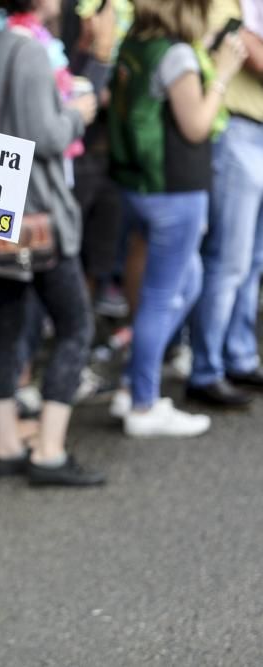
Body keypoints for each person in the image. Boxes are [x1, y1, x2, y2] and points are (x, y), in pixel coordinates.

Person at [0, 0, 104, 486]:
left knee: (6, 320)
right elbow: (47, 135)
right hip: (37, 216)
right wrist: (79, 112)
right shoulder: (31, 52)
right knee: (75, 325)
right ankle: (49, 450)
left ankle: (4, 441)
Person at [107, 0, 247, 435]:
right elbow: (196, 125)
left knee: (185, 283)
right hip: (174, 189)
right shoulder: (177, 54)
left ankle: (134, 385)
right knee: (162, 295)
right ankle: (142, 406)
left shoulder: (137, 40)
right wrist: (222, 74)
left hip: (141, 186)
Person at [187, 0, 263, 406]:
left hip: (257, 133)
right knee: (228, 260)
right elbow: (253, 56)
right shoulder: (224, 4)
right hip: (237, 132)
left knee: (253, 262)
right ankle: (206, 369)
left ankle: (240, 355)